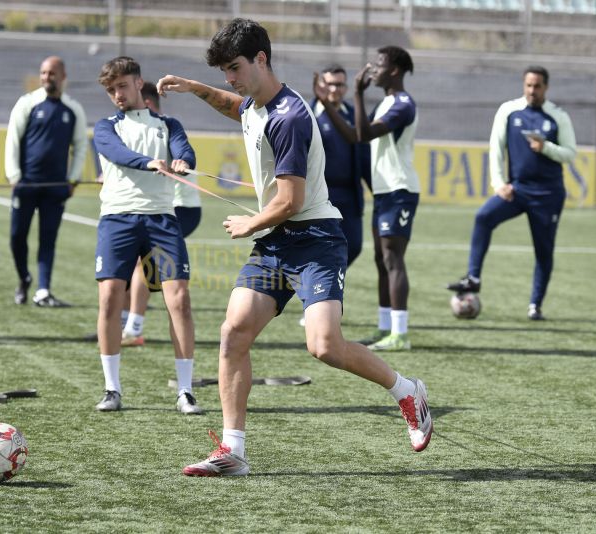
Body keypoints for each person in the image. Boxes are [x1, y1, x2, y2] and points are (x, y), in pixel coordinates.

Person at [157, 18, 432, 477]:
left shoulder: (289, 118)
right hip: (275, 243)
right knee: (233, 333)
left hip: (315, 240)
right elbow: (237, 106)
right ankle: (233, 451)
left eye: (234, 67)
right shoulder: (255, 101)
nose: (229, 77)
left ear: (261, 59)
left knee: (324, 345)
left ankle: (406, 390)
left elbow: (291, 201)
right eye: (224, 71)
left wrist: (249, 223)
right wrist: (195, 88)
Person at [93, 56, 202, 415]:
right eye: (111, 90)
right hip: (117, 219)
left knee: (179, 300)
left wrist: (183, 161)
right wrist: (148, 162)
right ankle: (112, 389)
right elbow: (116, 153)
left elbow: (185, 149)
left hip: (162, 221)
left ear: (139, 83)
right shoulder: (106, 127)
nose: (117, 95)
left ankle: (185, 391)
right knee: (110, 298)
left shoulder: (168, 125)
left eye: (122, 86)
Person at [446, 66, 577, 320]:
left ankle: (535, 306)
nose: (532, 90)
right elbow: (496, 148)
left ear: (546, 87)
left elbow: (570, 154)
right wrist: (499, 184)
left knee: (543, 251)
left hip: (548, 195)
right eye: (528, 85)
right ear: (523, 85)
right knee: (484, 216)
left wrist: (546, 147)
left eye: (537, 86)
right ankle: (473, 277)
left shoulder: (558, 116)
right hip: (518, 190)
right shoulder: (508, 110)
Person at [119, 81, 203, 347]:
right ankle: (123, 324)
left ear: (146, 103)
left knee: (142, 263)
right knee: (132, 261)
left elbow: (183, 154)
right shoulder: (139, 129)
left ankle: (133, 329)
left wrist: (182, 162)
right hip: (159, 207)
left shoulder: (164, 127)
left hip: (180, 208)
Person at [351, 46, 419, 351]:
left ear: (394, 70)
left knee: (393, 259)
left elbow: (364, 134)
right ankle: (384, 328)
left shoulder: (403, 104)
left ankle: (400, 334)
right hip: (383, 191)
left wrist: (357, 94)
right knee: (381, 259)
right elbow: (358, 134)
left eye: (379, 64)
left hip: (399, 190)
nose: (373, 69)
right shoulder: (386, 103)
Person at [4, 56, 87, 307]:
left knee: (48, 239)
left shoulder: (73, 109)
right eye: (43, 73)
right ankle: (24, 278)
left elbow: (81, 146)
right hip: (26, 185)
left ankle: (43, 290)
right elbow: (13, 140)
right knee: (17, 237)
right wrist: (14, 176)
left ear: (63, 76)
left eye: (51, 73)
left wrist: (73, 179)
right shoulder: (27, 103)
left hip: (56, 188)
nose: (46, 77)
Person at [305, 64, 372, 327]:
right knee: (322, 250)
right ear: (320, 86)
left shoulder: (353, 115)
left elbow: (363, 154)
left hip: (350, 195)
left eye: (340, 84)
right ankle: (317, 304)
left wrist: (375, 190)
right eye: (330, 84)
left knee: (353, 246)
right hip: (320, 196)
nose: (335, 89)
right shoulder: (307, 115)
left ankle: (320, 294)